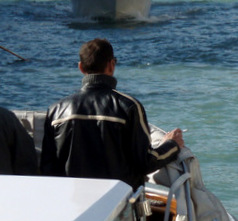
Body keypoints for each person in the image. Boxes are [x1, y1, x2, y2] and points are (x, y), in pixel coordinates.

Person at [41, 38, 184, 189]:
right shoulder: (128, 107)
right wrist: (172, 145)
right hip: (118, 204)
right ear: (112, 65)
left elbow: (48, 168)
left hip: (74, 204)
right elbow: (144, 163)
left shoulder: (56, 110)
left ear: (81, 67)